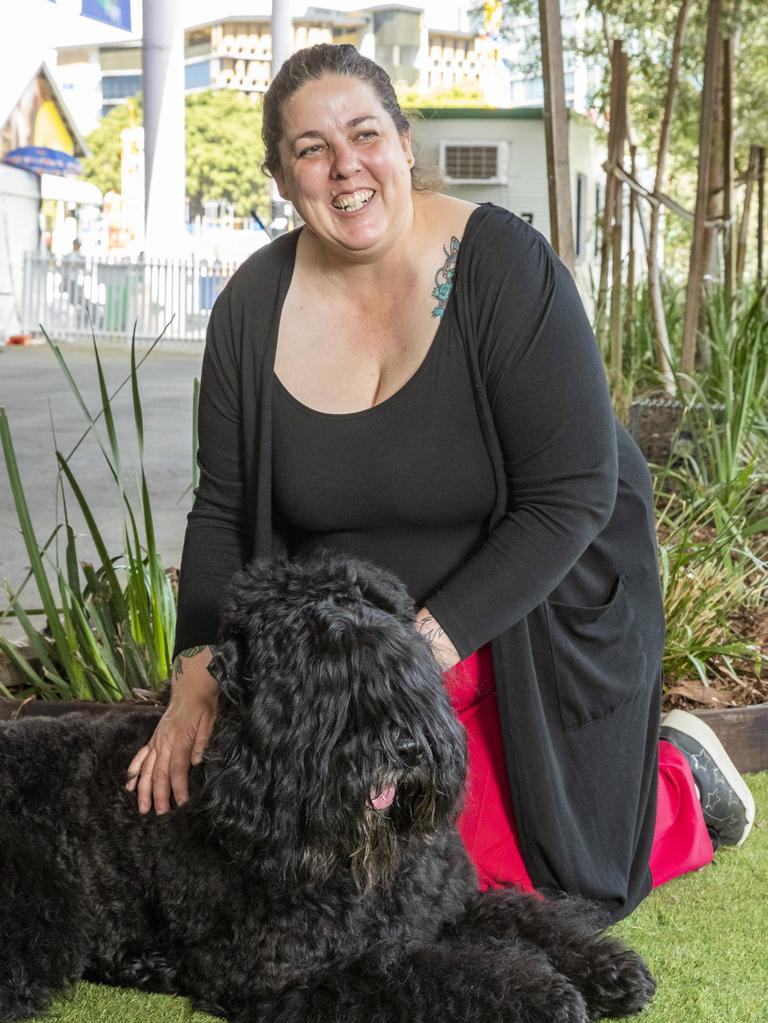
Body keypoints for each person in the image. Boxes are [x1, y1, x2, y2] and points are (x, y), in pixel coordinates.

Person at [126, 44, 755, 923]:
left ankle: (680, 779)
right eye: (311, 148)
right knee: (327, 874)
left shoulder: (502, 268)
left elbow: (573, 494)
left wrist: (415, 663)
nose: (345, 166)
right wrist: (197, 669)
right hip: (363, 646)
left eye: (364, 133)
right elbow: (224, 509)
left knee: (510, 887)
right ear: (281, 177)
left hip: (527, 610)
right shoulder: (250, 308)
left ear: (404, 142)